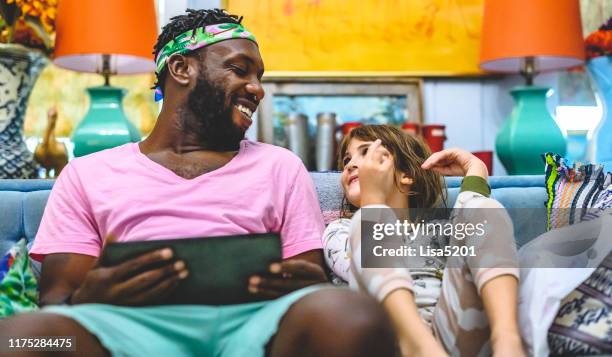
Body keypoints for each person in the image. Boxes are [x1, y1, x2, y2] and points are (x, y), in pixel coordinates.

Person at [0, 9, 396, 357]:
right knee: (21, 338)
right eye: (240, 70)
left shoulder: (281, 167)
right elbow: (54, 301)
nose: (257, 88)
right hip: (123, 329)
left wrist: (310, 284)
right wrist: (89, 297)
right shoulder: (87, 173)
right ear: (181, 69)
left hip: (255, 327)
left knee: (351, 316)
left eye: (259, 76)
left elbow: (304, 278)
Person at [322, 125, 524, 357]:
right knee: (364, 223)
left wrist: (475, 170)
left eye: (367, 153)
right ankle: (419, 347)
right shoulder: (340, 230)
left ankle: (507, 341)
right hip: (387, 339)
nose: (350, 164)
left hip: (450, 338)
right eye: (347, 159)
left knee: (483, 209)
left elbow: (489, 242)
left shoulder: (439, 230)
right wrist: (373, 200)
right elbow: (360, 268)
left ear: (407, 175)